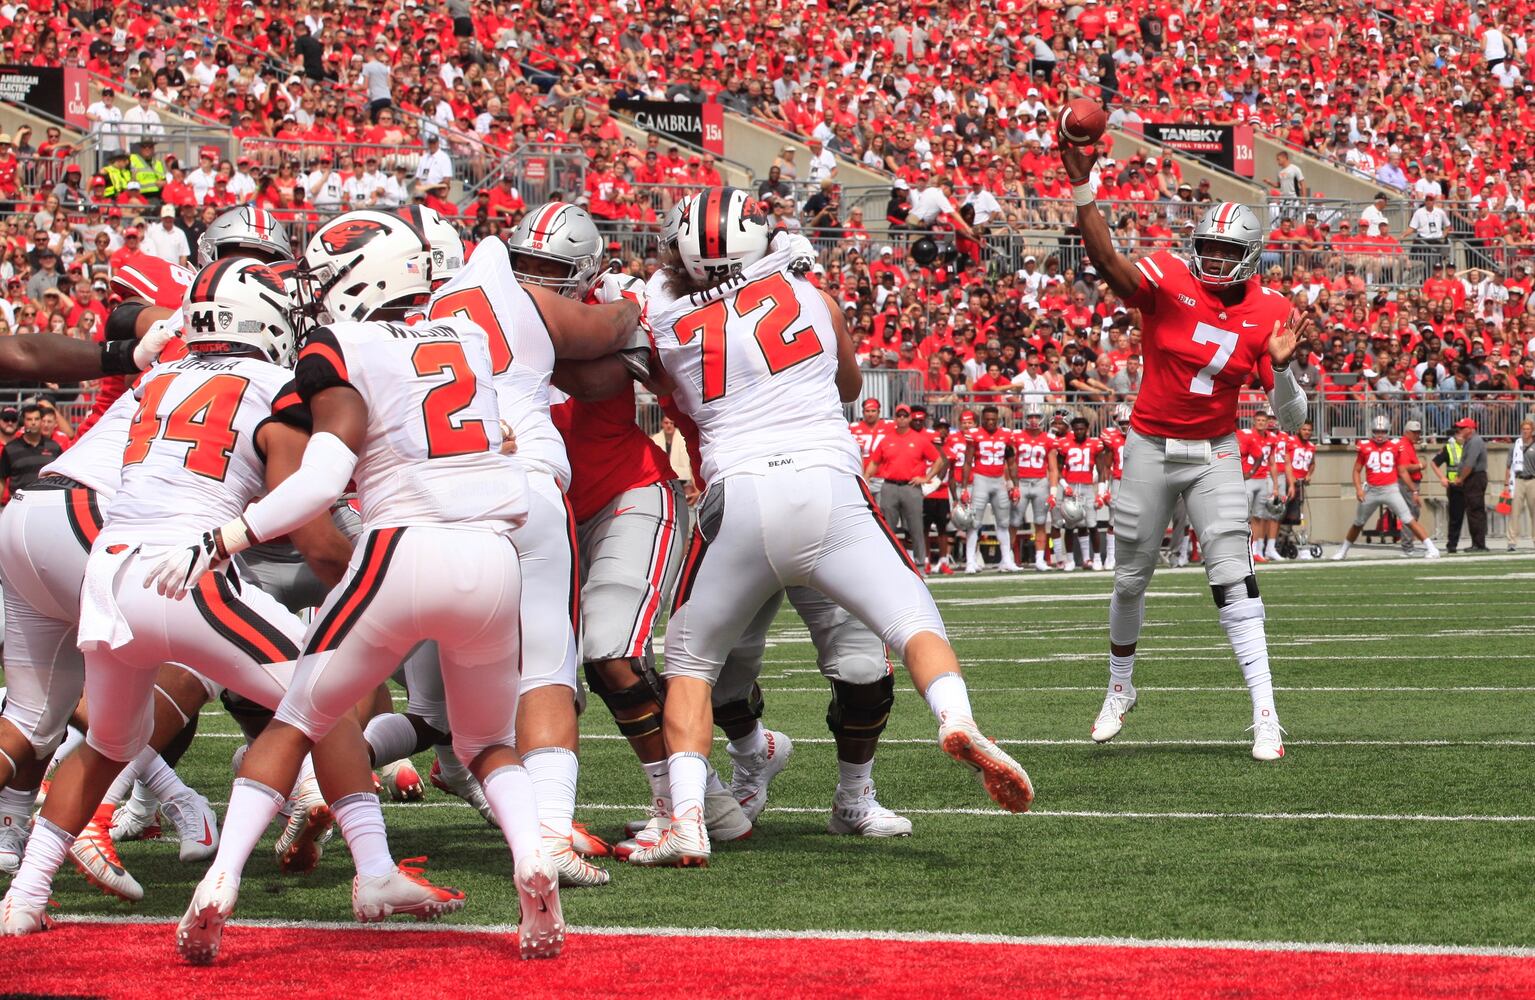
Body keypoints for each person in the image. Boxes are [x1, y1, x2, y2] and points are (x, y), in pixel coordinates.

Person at [168, 212, 600, 963]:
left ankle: (219, 882)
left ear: (359, 275)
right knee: (487, 742)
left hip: (402, 546)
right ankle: (531, 858)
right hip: (493, 553)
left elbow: (323, 478)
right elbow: (493, 439)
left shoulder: (341, 343)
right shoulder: (463, 340)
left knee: (296, 721)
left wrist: (228, 535)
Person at [633, 188, 1031, 867]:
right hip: (828, 487)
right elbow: (848, 385)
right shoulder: (814, 298)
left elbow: (660, 379)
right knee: (911, 620)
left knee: (689, 666)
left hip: (739, 498)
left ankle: (690, 819)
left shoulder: (662, 323)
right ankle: (956, 717)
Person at [0, 260, 371, 937]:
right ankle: (368, 870)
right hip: (182, 571)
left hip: (109, 573)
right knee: (325, 694)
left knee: (108, 741)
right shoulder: (276, 388)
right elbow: (307, 524)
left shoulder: (160, 377)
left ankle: (24, 895)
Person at [425, 202, 654, 888]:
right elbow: (605, 336)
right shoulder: (530, 302)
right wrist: (631, 306)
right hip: (520, 486)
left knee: (374, 675)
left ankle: (336, 812)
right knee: (546, 661)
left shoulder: (432, 306)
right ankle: (549, 830)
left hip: (431, 494)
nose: (533, 277)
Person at [1060, 138, 1310, 762]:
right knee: (1129, 578)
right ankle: (1120, 687)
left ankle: (1265, 714)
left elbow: (1292, 418)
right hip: (1149, 442)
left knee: (1233, 574)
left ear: (1250, 257)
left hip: (1214, 451)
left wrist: (1280, 371)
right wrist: (1084, 188)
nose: (1216, 259)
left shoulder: (1272, 311)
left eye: (1229, 251)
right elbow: (1109, 262)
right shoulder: (1168, 278)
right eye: (1209, 248)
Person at [1332, 416, 1440, 559]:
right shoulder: (1365, 446)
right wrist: (1358, 489)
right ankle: (1343, 551)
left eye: (1382, 431)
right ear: (1372, 431)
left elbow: (1402, 470)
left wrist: (1414, 490)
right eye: (1377, 431)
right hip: (1371, 490)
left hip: (1391, 489)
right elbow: (1357, 470)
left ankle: (1432, 549)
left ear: (1388, 431)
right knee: (1358, 523)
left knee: (1409, 519)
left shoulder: (1395, 446)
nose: (1380, 434)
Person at [865, 403, 945, 574]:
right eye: (899, 416)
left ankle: (920, 565)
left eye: (905, 415)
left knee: (916, 527)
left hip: (911, 486)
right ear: (895, 418)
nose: (901, 418)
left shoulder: (919, 439)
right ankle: (887, 564)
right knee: (887, 527)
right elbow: (874, 462)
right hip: (890, 485)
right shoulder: (887, 440)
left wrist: (927, 478)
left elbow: (938, 460)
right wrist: (865, 478)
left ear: (909, 418)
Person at [960, 405, 1020, 573]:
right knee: (974, 522)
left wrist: (1015, 486)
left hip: (999, 480)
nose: (990, 422)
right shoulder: (974, 435)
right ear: (982, 420)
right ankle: (970, 561)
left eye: (993, 419)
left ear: (998, 419)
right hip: (981, 479)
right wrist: (965, 488)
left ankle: (1006, 560)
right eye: (987, 419)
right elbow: (967, 462)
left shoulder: (1006, 435)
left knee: (1003, 521)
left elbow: (1012, 462)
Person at [1047, 415, 1110, 571]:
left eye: (1082, 429)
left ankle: (1096, 559)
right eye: (1076, 429)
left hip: (1088, 487)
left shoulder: (1095, 444)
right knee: (1069, 525)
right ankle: (1069, 560)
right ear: (1072, 430)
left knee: (1092, 524)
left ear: (1087, 430)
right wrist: (1065, 485)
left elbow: (1102, 470)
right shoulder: (1064, 444)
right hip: (1071, 487)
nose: (1079, 431)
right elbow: (1058, 470)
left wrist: (1101, 493)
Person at [1011, 405, 1055, 571]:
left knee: (1041, 522)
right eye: (1030, 416)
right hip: (1021, 482)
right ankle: (1008, 558)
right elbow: (1010, 463)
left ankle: (1039, 559)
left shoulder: (1048, 438)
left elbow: (1052, 468)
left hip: (1040, 482)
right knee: (1014, 522)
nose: (1034, 420)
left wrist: (1053, 491)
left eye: (1037, 416)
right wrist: (1012, 485)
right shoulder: (1016, 437)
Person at [0, 404, 63, 496]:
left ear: (41, 421)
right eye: (29, 419)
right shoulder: (10, 449)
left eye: (36, 419)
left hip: (47, 502)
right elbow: (1, 480)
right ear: (23, 422)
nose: (33, 423)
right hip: (20, 504)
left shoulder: (54, 447)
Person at [1451, 417, 1489, 550]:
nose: (1459, 430)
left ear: (1470, 429)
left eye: (1462, 428)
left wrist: (1461, 478)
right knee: (1473, 510)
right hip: (1472, 478)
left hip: (1475, 478)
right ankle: (1477, 543)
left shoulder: (1475, 441)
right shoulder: (1469, 441)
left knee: (1475, 510)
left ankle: (1479, 544)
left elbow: (1469, 464)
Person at [1431, 425, 1469, 552]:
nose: (1460, 436)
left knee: (1475, 515)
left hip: (1470, 484)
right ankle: (1452, 544)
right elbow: (1434, 463)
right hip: (1455, 486)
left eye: (1461, 433)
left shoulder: (1470, 446)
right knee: (1455, 517)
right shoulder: (1449, 448)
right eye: (1458, 433)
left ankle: (1477, 544)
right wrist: (1442, 478)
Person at [1284, 420, 1317, 558]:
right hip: (1289, 483)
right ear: (1299, 430)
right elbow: (1286, 462)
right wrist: (1291, 479)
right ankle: (1281, 540)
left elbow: (1313, 463)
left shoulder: (1311, 446)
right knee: (1285, 514)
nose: (1307, 432)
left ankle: (1292, 540)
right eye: (1304, 429)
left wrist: (1309, 475)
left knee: (1296, 514)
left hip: (1301, 484)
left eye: (1309, 430)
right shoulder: (1291, 442)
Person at [1505, 418, 1535, 551]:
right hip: (1517, 479)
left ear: (1532, 430)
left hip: (1532, 480)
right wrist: (1506, 483)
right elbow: (1508, 465)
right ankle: (1512, 541)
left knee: (1534, 512)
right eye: (1524, 429)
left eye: (1528, 429)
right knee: (1514, 511)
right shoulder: (1515, 445)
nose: (1525, 431)